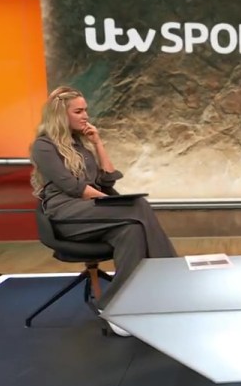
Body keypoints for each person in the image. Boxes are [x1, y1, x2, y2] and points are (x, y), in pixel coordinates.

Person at [30, 86, 177, 336]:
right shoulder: (43, 146)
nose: (86, 115)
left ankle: (115, 308)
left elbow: (107, 180)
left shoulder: (80, 145)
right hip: (66, 214)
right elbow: (73, 187)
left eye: (86, 110)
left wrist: (97, 143)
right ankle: (173, 281)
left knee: (131, 230)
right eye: (79, 111)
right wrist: (112, 204)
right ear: (60, 115)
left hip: (90, 211)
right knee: (138, 206)